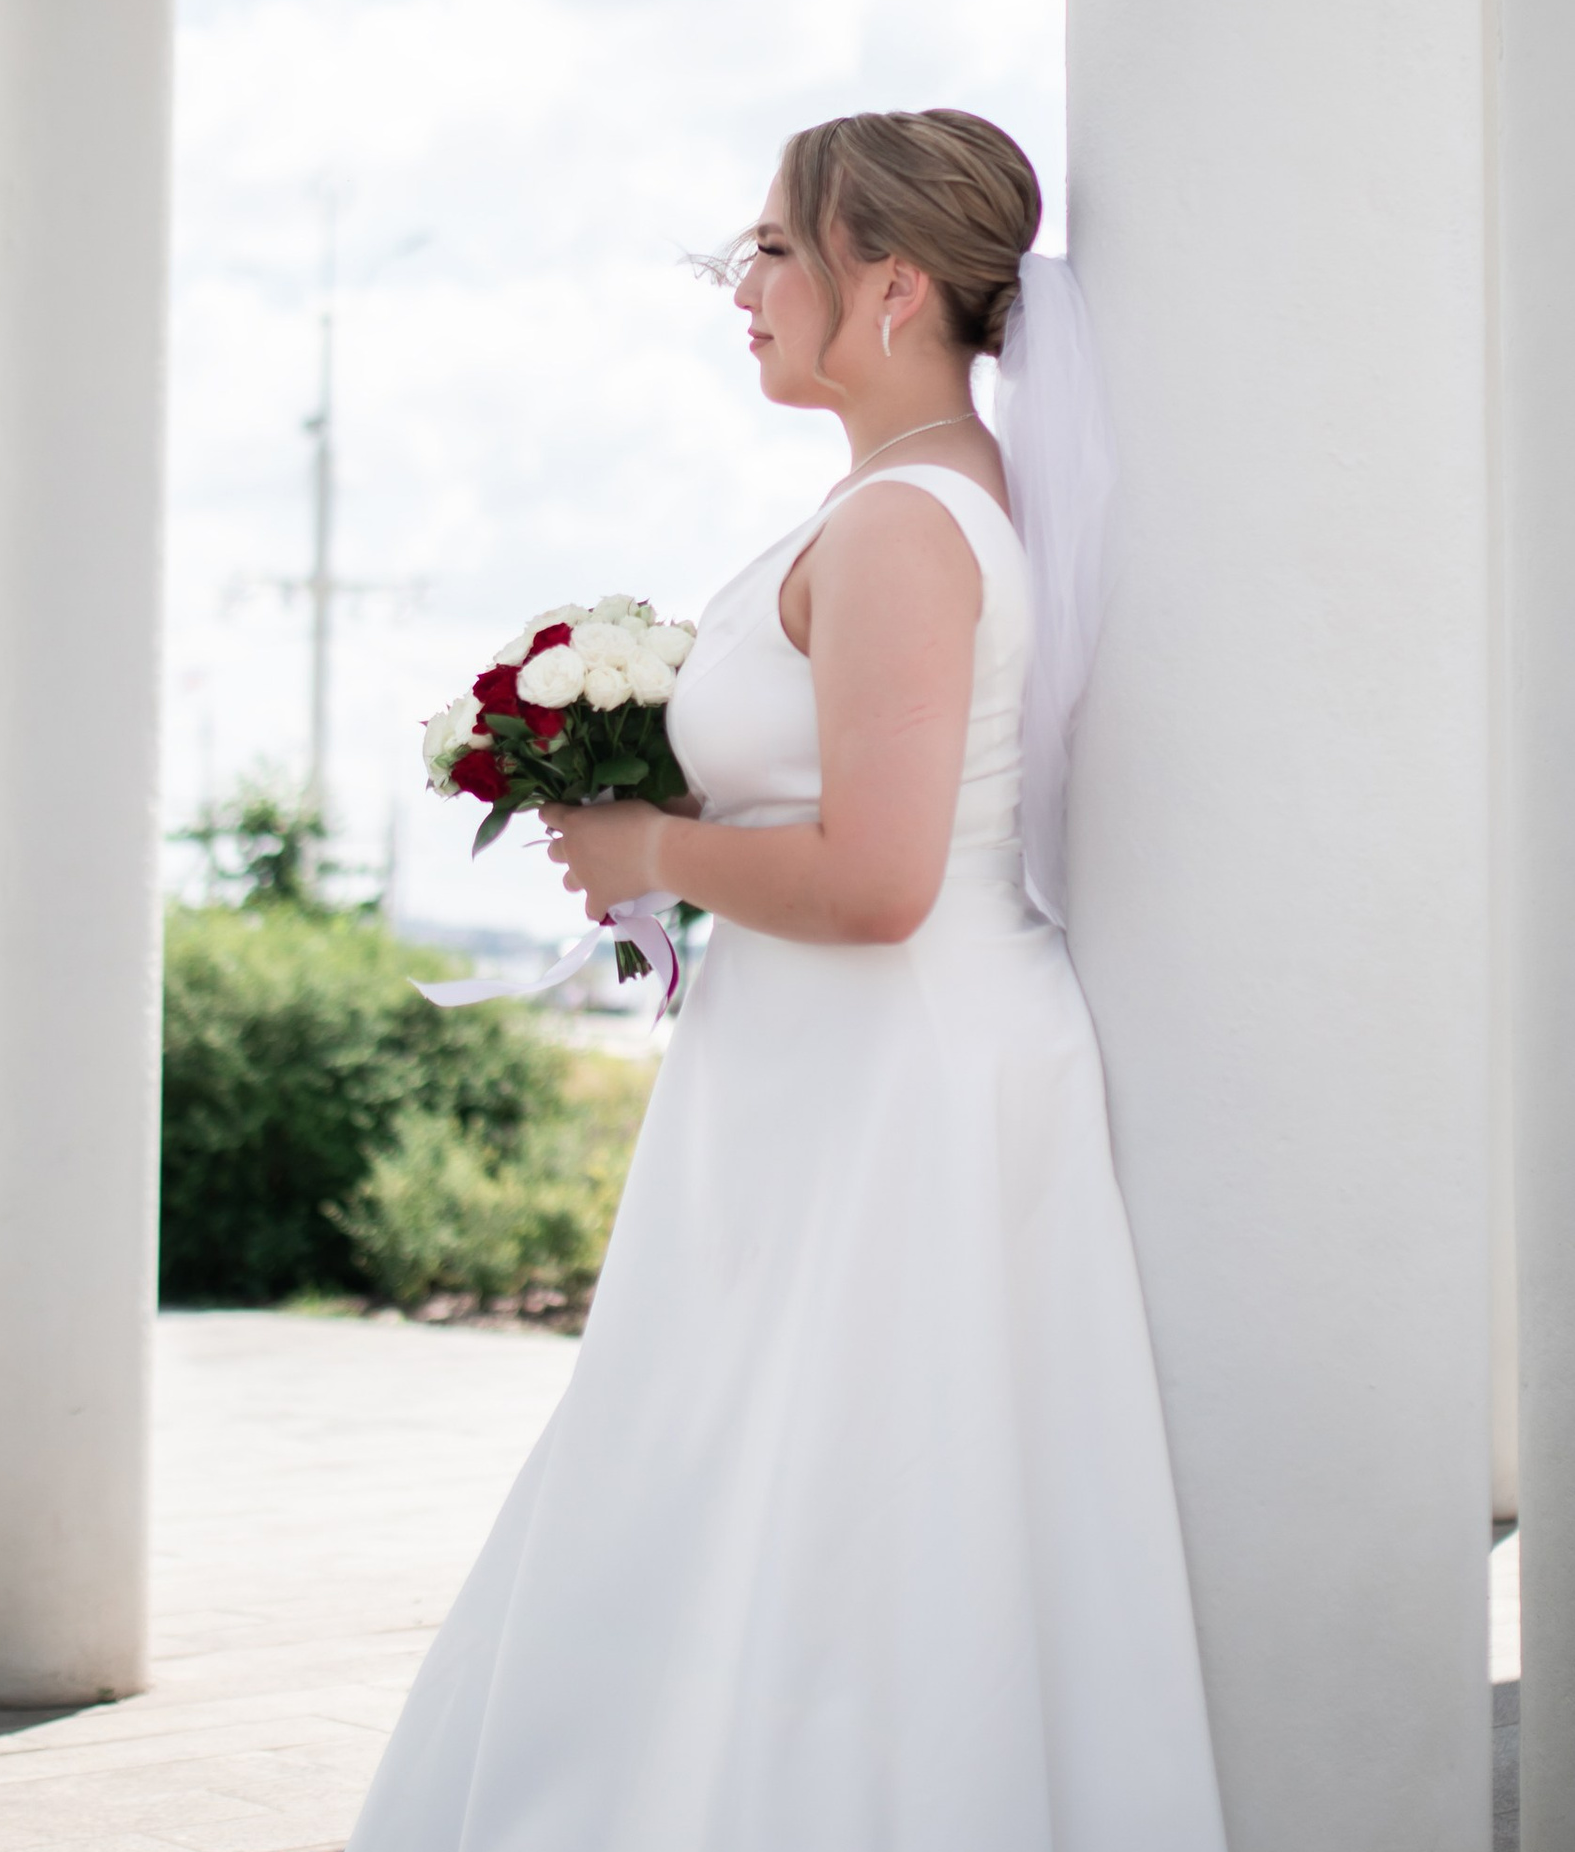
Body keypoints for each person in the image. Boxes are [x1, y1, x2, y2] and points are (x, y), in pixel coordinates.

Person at [348, 110, 1225, 1851]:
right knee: (776, 1508)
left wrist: (652, 855)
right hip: (837, 1076)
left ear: (892, 284)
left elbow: (884, 881)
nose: (740, 286)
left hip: (887, 1082)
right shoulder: (905, 501)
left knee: (835, 1527)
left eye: (771, 249)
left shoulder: (906, 528)